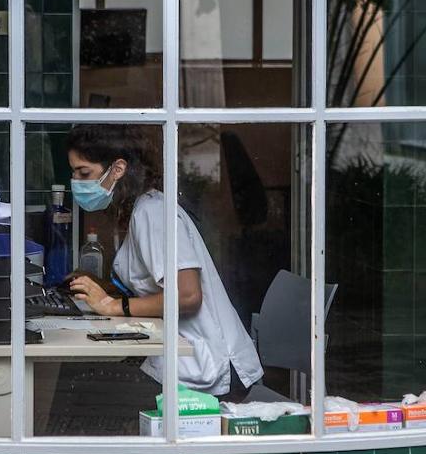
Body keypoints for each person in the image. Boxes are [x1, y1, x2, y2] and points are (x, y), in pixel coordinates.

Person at [64, 125, 282, 401]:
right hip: (190, 357)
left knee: (84, 387)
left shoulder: (153, 213)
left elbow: (188, 296)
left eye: (84, 173)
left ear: (117, 169)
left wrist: (113, 306)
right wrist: (103, 289)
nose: (77, 182)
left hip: (211, 369)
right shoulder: (141, 209)